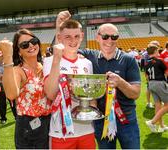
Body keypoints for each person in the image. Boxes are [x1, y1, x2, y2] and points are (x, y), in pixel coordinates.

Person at [56, 11, 141, 149]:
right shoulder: (90, 56)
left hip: (127, 119)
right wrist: (59, 26)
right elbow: (65, 50)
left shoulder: (128, 60)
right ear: (97, 38)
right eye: (105, 36)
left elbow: (135, 94)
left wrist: (120, 82)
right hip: (101, 120)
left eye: (114, 37)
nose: (109, 40)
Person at [43, 19, 96, 149]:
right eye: (68, 37)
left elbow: (91, 94)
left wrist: (92, 110)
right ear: (59, 38)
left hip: (87, 129)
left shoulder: (87, 63)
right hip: (61, 131)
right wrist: (56, 61)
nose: (73, 41)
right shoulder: (50, 61)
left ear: (82, 36)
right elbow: (50, 94)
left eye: (77, 36)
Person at [0, 29, 51, 149]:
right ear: (19, 52)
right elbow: (11, 95)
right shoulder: (18, 70)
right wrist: (7, 56)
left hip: (51, 123)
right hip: (29, 128)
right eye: (24, 45)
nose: (31, 45)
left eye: (33, 41)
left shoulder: (45, 65)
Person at [145, 44, 168, 132]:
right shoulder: (160, 60)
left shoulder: (147, 62)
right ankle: (152, 122)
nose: (159, 53)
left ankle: (161, 126)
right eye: (158, 51)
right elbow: (166, 72)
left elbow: (146, 75)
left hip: (151, 84)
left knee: (158, 105)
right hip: (159, 82)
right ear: (155, 51)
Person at [0, 51, 17, 123]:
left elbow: (10, 75)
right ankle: (3, 118)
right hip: (0, 86)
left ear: (3, 57)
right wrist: (2, 75)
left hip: (8, 85)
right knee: (2, 103)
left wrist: (1, 75)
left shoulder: (8, 65)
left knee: (12, 102)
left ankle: (16, 116)